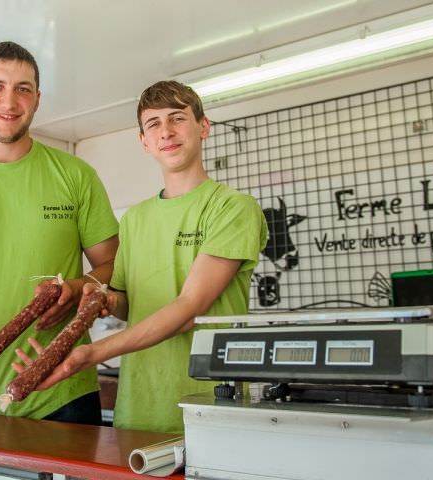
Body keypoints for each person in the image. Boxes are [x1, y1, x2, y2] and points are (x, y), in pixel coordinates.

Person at [24, 80, 267, 433]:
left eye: (177, 118)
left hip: (210, 409)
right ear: (144, 141)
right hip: (138, 408)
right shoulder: (135, 219)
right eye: (154, 124)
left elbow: (189, 309)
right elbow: (128, 304)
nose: (166, 131)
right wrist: (105, 299)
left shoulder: (232, 208)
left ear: (203, 126)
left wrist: (92, 353)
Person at [0, 41, 119, 424]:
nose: (9, 101)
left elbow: (115, 264)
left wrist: (80, 287)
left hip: (62, 391)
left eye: (22, 89)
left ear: (38, 98)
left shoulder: (75, 175)